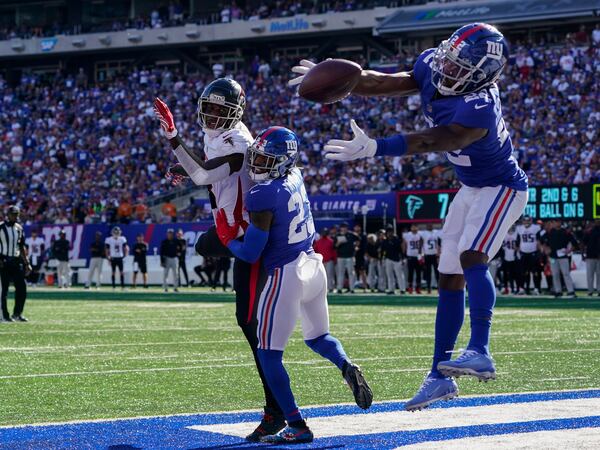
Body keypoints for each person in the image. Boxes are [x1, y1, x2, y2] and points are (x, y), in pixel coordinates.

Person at [297, 23, 528, 409]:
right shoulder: (434, 67)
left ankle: (480, 349)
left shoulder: (479, 106)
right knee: (450, 276)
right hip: (471, 189)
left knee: (473, 255)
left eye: (458, 67)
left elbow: (438, 140)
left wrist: (376, 147)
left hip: (502, 188)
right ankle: (439, 376)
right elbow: (387, 82)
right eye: (449, 60)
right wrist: (341, 78)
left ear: (481, 75)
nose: (447, 69)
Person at [214, 126, 372, 443]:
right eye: (257, 158)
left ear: (283, 161)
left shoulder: (263, 194)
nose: (257, 165)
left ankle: (297, 425)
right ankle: (345, 364)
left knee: (268, 356)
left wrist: (226, 238)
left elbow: (250, 252)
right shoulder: (295, 175)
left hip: (286, 274)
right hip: (313, 265)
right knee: (319, 337)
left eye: (266, 160)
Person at [154, 78, 286, 441]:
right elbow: (206, 173)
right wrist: (189, 167)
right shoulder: (220, 135)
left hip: (249, 237)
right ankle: (275, 388)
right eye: (208, 108)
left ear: (235, 112)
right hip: (230, 228)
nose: (212, 115)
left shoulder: (240, 142)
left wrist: (173, 138)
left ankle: (276, 408)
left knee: (249, 324)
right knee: (203, 248)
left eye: (218, 110)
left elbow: (203, 174)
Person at [0, 206, 31, 322]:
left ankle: (17, 314)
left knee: (22, 288)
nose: (15, 216)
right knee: (4, 290)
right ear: (7, 214)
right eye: (13, 214)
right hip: (3, 261)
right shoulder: (1, 227)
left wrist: (27, 263)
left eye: (17, 214)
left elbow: (22, 246)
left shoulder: (19, 228)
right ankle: (4, 315)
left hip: (16, 261)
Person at [540, 220, 577, 298]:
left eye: (558, 222)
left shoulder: (565, 232)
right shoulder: (550, 232)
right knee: (555, 274)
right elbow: (542, 241)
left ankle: (571, 291)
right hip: (553, 256)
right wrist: (545, 249)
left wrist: (569, 250)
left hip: (563, 256)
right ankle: (558, 291)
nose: (556, 223)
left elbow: (574, 243)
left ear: (560, 223)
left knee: (566, 273)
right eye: (555, 222)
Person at [516, 215, 542, 295]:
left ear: (531, 221)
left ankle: (537, 288)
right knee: (524, 272)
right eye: (525, 220)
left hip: (533, 253)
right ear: (522, 221)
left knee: (535, 272)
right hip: (523, 253)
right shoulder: (519, 229)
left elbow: (539, 240)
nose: (526, 222)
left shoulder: (536, 228)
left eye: (528, 220)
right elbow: (517, 241)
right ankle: (524, 288)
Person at [381, 225, 405, 295]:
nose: (389, 233)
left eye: (390, 232)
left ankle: (402, 289)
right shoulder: (385, 241)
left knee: (399, 275)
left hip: (397, 259)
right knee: (389, 275)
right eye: (388, 232)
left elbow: (401, 250)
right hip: (388, 259)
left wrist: (402, 258)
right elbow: (382, 251)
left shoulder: (397, 240)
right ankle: (391, 289)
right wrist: (382, 259)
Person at [334, 222, 357, 293]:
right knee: (340, 273)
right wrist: (339, 243)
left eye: (345, 227)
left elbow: (359, 239)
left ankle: (352, 288)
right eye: (342, 227)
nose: (343, 228)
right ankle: (339, 288)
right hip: (341, 256)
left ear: (347, 228)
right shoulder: (337, 235)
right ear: (340, 228)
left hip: (350, 256)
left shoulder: (351, 234)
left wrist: (356, 247)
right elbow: (334, 246)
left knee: (351, 273)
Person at [313, 228, 336, 292]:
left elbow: (334, 251)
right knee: (321, 276)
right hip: (321, 261)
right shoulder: (318, 242)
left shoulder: (331, 241)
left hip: (329, 261)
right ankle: (322, 289)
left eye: (325, 232)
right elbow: (315, 251)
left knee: (329, 275)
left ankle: (330, 288)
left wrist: (334, 260)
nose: (324, 234)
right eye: (323, 232)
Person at [403, 224, 423, 294]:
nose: (414, 228)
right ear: (411, 228)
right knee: (410, 273)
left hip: (418, 256)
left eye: (415, 227)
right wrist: (404, 256)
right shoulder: (407, 235)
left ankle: (418, 288)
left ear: (417, 228)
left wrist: (421, 255)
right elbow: (404, 245)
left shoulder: (420, 235)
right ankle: (410, 287)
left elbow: (421, 244)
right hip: (410, 256)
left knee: (418, 273)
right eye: (413, 227)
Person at [421, 224, 440, 293]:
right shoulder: (424, 233)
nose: (430, 226)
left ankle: (439, 288)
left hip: (435, 255)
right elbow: (421, 243)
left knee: (437, 272)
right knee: (428, 273)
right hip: (427, 255)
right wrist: (422, 254)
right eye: (428, 225)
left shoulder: (436, 233)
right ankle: (429, 288)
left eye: (431, 225)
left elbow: (438, 243)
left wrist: (438, 253)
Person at [582, 221, 600, 296]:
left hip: (597, 256)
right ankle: (590, 290)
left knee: (598, 275)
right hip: (590, 256)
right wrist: (582, 254)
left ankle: (598, 290)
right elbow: (583, 243)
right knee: (590, 275)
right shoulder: (589, 232)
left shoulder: (589, 232)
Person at [501, 225, 520, 294]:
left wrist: (517, 249)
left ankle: (517, 288)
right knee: (509, 275)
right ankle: (512, 289)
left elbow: (519, 245)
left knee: (516, 274)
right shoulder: (504, 235)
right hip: (507, 257)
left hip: (515, 257)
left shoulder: (516, 234)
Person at [353, 224, 368, 292]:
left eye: (358, 227)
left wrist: (358, 248)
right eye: (355, 227)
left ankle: (365, 287)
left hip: (361, 256)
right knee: (353, 272)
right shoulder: (352, 235)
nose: (356, 228)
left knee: (362, 272)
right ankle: (352, 287)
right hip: (353, 256)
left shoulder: (363, 235)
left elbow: (364, 246)